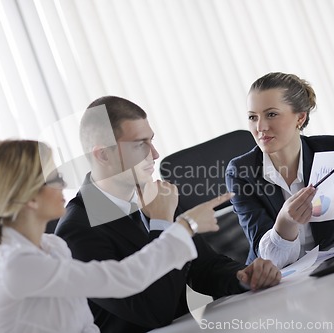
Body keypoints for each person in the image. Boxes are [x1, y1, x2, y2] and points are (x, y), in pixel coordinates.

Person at [0, 140, 249, 333]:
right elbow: (124, 278)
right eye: (55, 178)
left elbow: (85, 326)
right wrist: (181, 225)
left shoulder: (52, 247)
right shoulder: (17, 265)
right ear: (30, 197)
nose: (65, 184)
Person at [55, 96, 281, 333]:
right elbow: (153, 311)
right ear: (103, 155)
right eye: (139, 144)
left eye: (151, 141)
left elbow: (203, 267)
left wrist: (243, 276)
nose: (154, 154)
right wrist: (161, 224)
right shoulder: (76, 232)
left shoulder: (155, 195)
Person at [225, 72, 334, 269]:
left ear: (300, 117)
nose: (260, 127)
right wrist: (285, 223)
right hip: (279, 283)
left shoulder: (329, 148)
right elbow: (270, 260)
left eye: (271, 114)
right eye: (252, 117)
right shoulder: (241, 172)